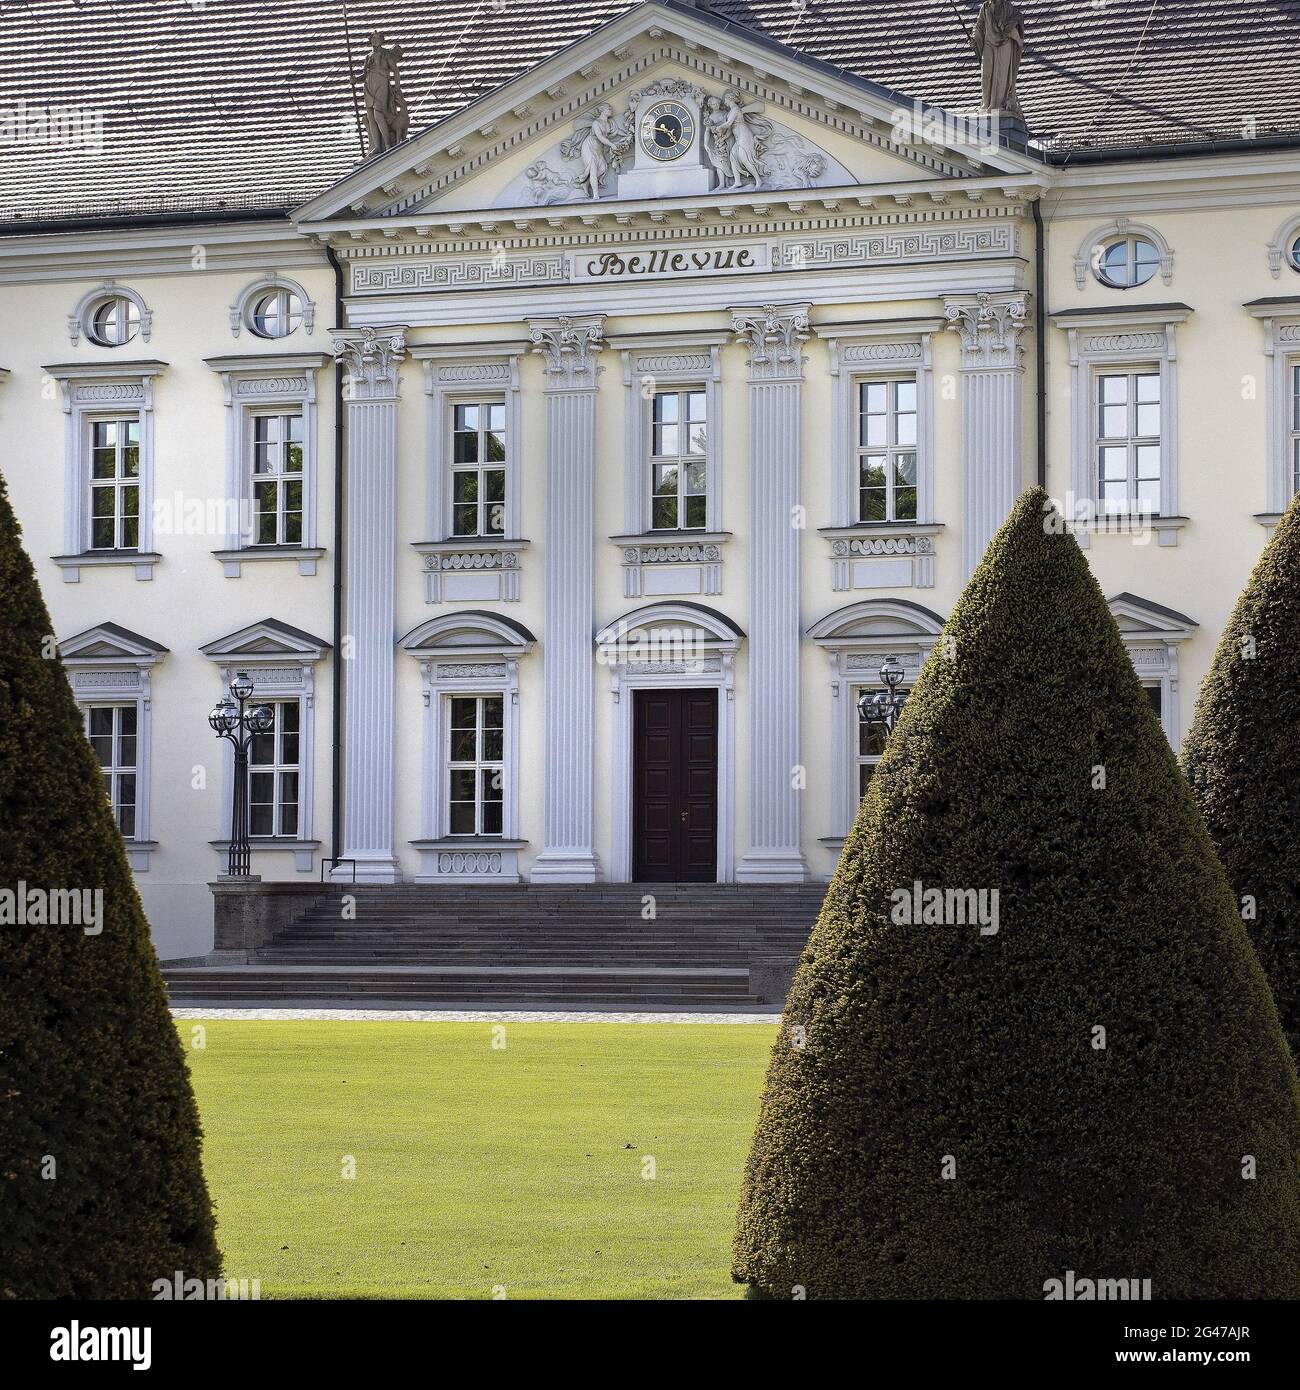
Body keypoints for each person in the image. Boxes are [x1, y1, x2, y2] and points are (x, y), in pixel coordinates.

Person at [971, 0, 1025, 117]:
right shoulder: (985, 7)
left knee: (1001, 76)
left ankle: (998, 105)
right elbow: (979, 26)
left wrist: (1010, 27)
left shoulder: (1008, 7)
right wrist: (975, 39)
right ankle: (986, 105)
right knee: (986, 75)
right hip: (989, 43)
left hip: (1005, 43)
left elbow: (1017, 20)